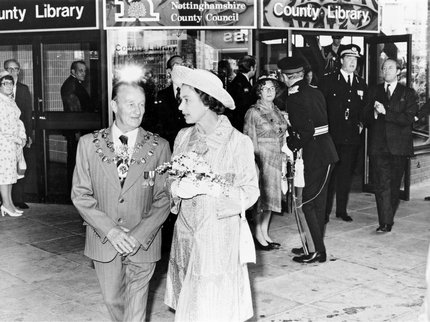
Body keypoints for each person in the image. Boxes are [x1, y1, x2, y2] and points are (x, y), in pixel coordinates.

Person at [164, 65, 259, 321]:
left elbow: (250, 191)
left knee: (215, 308)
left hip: (218, 239)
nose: (180, 107)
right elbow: (169, 180)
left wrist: (214, 189)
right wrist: (175, 187)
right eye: (180, 99)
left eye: (186, 100)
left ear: (206, 100)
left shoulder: (238, 142)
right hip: (185, 235)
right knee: (189, 307)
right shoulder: (183, 137)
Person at [71, 80, 171, 321]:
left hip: (143, 241)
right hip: (105, 241)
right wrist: (112, 231)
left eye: (142, 105)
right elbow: (81, 195)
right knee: (113, 300)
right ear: (114, 105)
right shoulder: (88, 144)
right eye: (130, 104)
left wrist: (137, 235)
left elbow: (164, 198)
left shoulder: (159, 146)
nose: (137, 111)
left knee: (136, 307)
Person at [278, 56, 338, 264]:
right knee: (318, 205)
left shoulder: (294, 97)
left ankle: (316, 251)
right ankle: (311, 244)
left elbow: (305, 131)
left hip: (315, 155)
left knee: (308, 204)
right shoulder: (314, 91)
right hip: (325, 153)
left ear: (286, 77)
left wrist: (290, 144)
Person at [363, 58, 418, 233]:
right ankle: (385, 222)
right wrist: (373, 113)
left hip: (399, 147)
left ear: (398, 71)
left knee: (394, 185)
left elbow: (408, 119)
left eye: (391, 68)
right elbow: (364, 117)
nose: (387, 71)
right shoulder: (374, 91)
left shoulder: (407, 93)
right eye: (384, 68)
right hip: (379, 146)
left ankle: (388, 215)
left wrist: (387, 113)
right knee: (381, 184)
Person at [319, 44, 368, 222]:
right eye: (349, 58)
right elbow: (321, 108)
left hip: (351, 138)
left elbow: (365, 108)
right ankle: (324, 212)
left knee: (345, 175)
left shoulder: (361, 83)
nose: (353, 62)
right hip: (332, 137)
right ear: (341, 60)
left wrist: (362, 123)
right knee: (329, 176)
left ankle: (341, 210)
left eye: (355, 59)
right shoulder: (327, 81)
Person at [243, 74, 287, 250]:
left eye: (272, 88)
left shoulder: (276, 109)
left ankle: (265, 233)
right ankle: (258, 236)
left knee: (271, 199)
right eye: (265, 88)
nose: (270, 91)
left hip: (276, 159)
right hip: (261, 160)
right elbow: (248, 139)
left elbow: (282, 133)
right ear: (258, 92)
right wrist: (253, 163)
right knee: (261, 200)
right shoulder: (253, 112)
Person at [61, 60, 94, 196]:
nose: (84, 73)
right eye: (80, 70)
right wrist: (77, 131)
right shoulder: (71, 86)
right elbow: (74, 111)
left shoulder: (74, 84)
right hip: (77, 130)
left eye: (85, 70)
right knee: (75, 162)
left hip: (77, 130)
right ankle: (74, 192)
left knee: (76, 161)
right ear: (73, 71)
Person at [4, 59, 32, 210]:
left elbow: (27, 113)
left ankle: (18, 199)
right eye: (10, 69)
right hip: (5, 137)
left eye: (16, 69)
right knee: (4, 168)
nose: (14, 73)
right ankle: (5, 201)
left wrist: (29, 135)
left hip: (20, 136)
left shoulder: (24, 89)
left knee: (20, 166)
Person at [0, 71, 26, 217]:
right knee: (4, 175)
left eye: (11, 83)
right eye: (5, 83)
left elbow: (18, 121)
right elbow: (3, 127)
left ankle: (9, 203)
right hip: (3, 143)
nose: (9, 86)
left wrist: (22, 137)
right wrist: (17, 139)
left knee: (10, 174)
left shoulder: (10, 100)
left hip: (13, 143)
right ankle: (6, 204)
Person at [153, 55, 187, 150]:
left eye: (183, 65)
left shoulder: (193, 92)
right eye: (177, 65)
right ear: (169, 71)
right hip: (168, 146)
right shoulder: (161, 95)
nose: (181, 68)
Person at [227, 55, 257, 131]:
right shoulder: (242, 84)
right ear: (251, 68)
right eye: (255, 67)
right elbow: (245, 107)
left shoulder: (238, 80)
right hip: (240, 125)